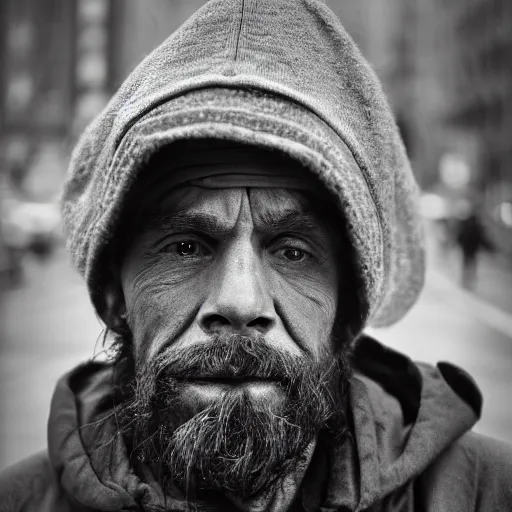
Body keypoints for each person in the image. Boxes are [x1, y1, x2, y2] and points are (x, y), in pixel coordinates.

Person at [1, 1, 512, 510]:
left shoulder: (488, 493)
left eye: (292, 251)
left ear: (347, 308)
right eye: (185, 247)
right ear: (114, 291)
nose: (241, 302)